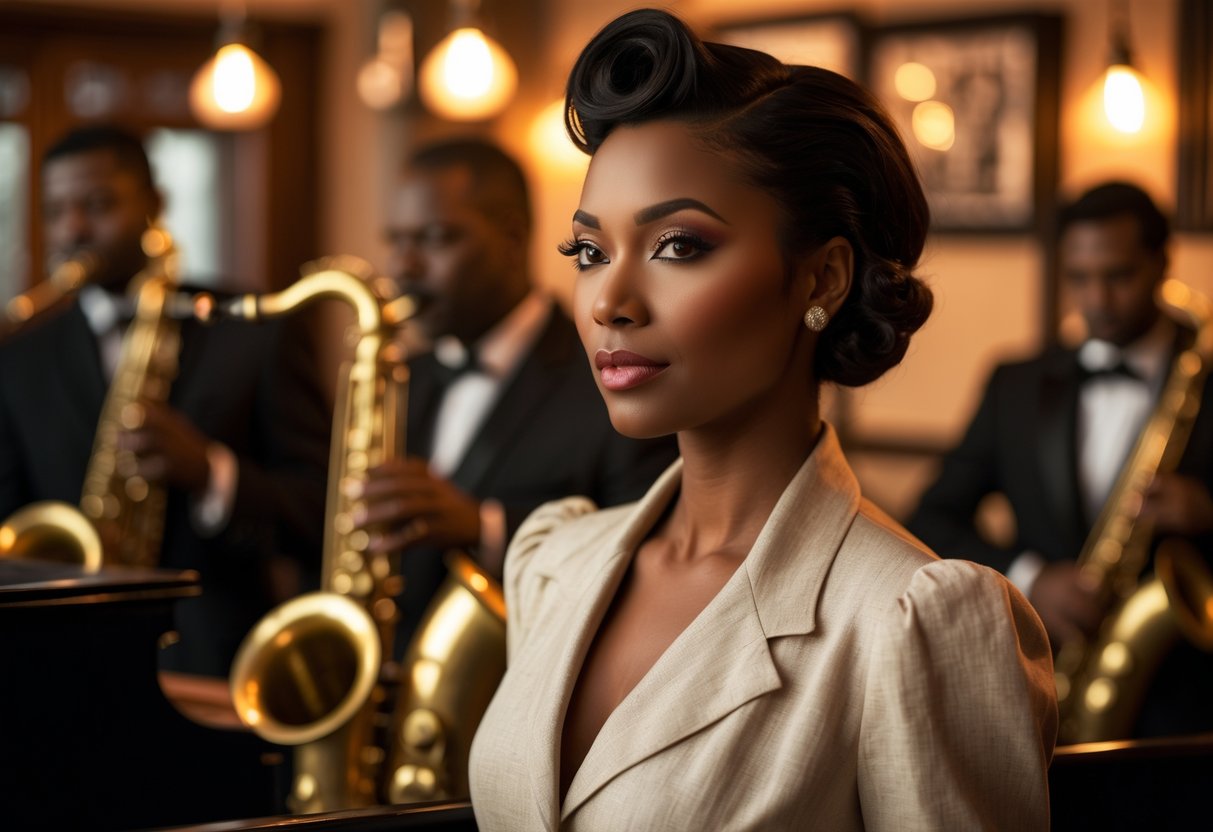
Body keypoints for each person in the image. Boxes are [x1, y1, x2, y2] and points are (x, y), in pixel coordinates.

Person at [468, 10, 1056, 830]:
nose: (609, 301)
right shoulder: (553, 564)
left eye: (677, 245)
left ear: (821, 279)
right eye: (589, 252)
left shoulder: (907, 622)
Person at [0, 125, 330, 677]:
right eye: (56, 210)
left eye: (98, 204)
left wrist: (210, 473)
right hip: (57, 664)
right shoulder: (19, 356)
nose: (73, 228)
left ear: (155, 204)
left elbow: (319, 510)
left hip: (217, 670)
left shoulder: (253, 330)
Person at [908, 181, 1213, 738]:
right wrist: (1031, 578)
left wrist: (1207, 509)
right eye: (1079, 278)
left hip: (1192, 705)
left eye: (1118, 275)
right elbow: (931, 519)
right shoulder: (1015, 385)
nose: (1096, 300)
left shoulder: (1205, 377)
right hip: (1043, 688)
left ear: (1161, 263)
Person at [350, 137, 679, 648]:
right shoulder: (400, 376)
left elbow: (646, 543)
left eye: (434, 239)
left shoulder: (611, 371)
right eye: (395, 240)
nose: (403, 267)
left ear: (512, 237)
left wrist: (483, 527)